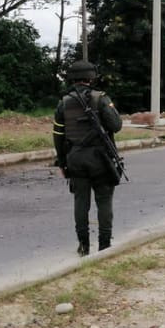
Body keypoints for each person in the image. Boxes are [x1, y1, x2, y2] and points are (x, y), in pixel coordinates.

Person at [52, 60, 123, 257]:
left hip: (75, 158)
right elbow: (116, 125)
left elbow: (58, 136)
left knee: (80, 202)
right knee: (104, 201)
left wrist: (62, 162)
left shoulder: (63, 103)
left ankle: (83, 246)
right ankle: (104, 246)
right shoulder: (101, 98)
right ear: (91, 78)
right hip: (100, 158)